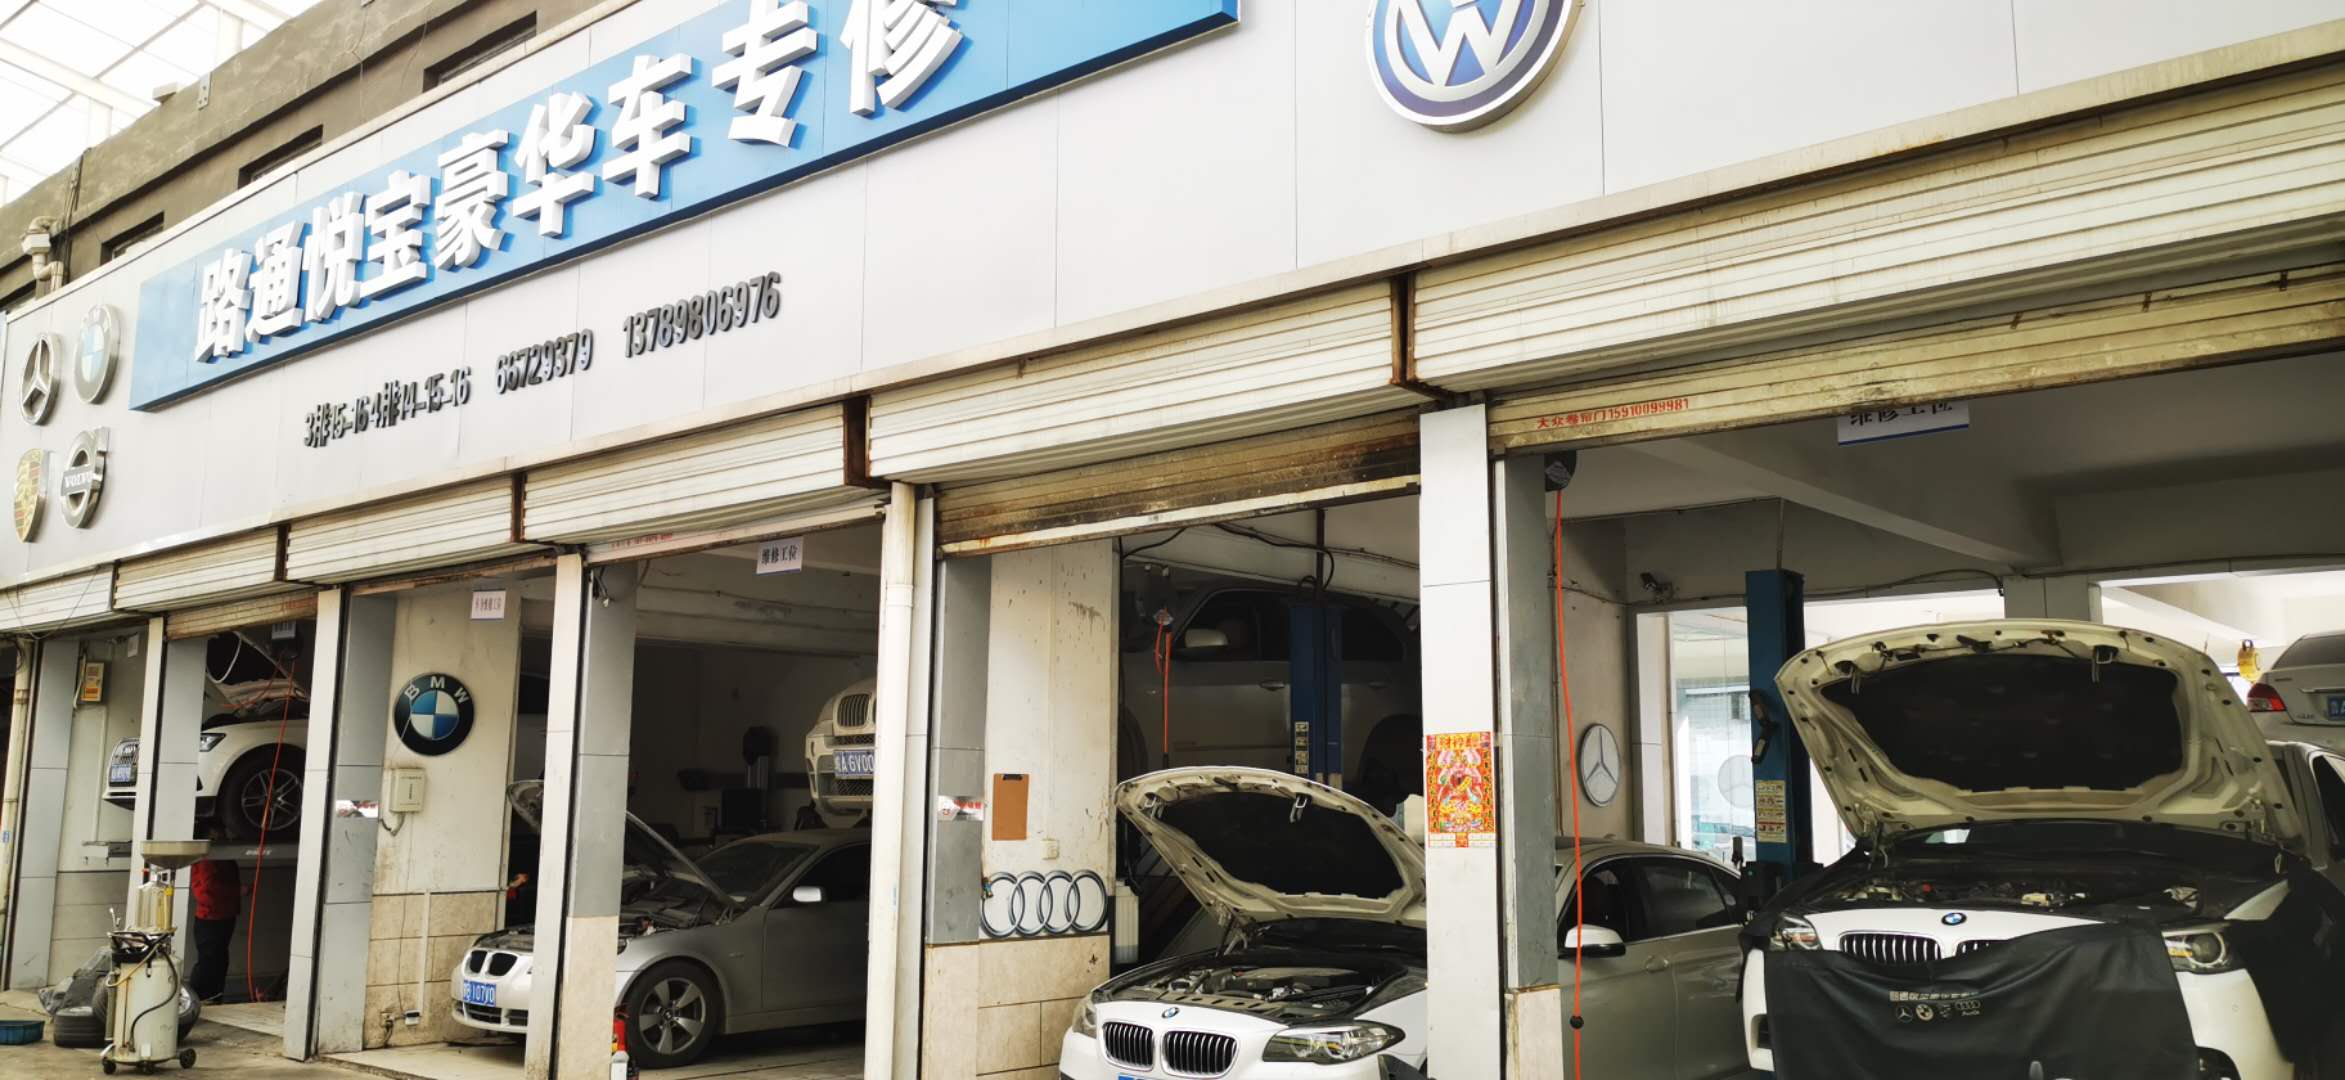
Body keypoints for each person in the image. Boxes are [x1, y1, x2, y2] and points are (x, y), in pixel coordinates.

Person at [187, 842, 239, 1003]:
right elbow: (206, 891)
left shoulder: (217, 857)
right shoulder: (208, 860)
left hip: (221, 916)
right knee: (209, 962)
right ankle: (196, 1000)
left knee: (218, 961)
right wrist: (237, 890)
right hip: (211, 918)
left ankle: (212, 998)